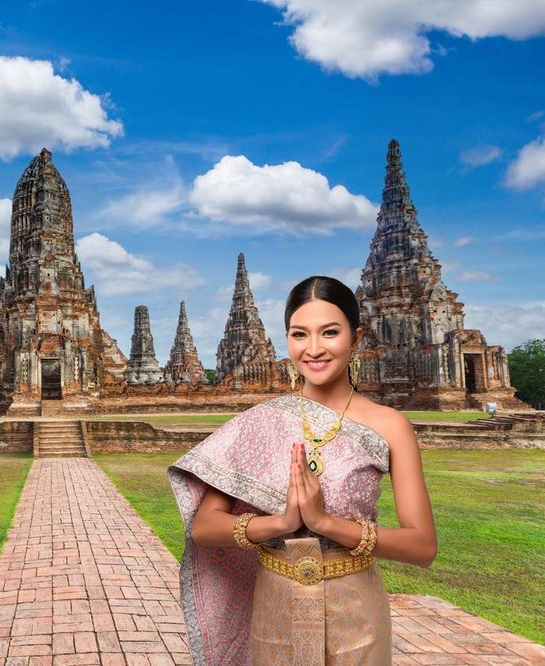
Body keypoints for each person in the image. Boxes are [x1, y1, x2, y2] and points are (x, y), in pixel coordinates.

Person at [169, 275, 436, 666]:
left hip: (356, 612)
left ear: (356, 337)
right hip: (275, 607)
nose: (313, 349)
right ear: (287, 340)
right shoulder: (259, 422)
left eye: (329, 332)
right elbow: (205, 527)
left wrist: (326, 523)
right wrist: (279, 523)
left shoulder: (389, 425)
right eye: (299, 334)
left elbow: (422, 547)